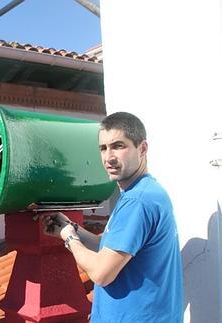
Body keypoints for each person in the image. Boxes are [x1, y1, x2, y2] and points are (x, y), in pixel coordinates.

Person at [40, 112, 183, 322]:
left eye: (118, 146)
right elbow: (108, 247)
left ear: (142, 148)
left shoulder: (138, 201)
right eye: (103, 148)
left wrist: (69, 238)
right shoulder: (144, 192)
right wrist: (73, 227)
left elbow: (101, 273)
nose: (109, 157)